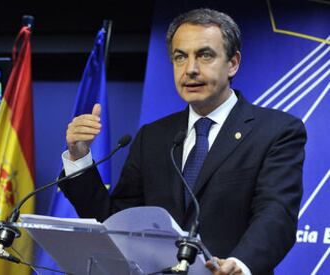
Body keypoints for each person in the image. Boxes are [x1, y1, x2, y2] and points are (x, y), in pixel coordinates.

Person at [59, 8, 306, 275]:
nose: (190, 69)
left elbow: (276, 214)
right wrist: (79, 157)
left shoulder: (276, 131)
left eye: (205, 55)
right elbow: (118, 222)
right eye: (180, 57)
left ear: (233, 63)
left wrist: (240, 264)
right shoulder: (152, 137)